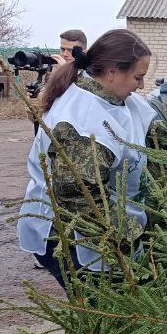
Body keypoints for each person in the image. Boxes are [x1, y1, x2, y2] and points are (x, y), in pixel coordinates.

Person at [18, 28, 156, 288]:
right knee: (102, 317)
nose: (142, 86)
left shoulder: (120, 100)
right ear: (113, 71)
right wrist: (130, 238)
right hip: (71, 238)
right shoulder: (81, 122)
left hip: (109, 227)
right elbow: (80, 199)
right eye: (138, 77)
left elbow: (158, 131)